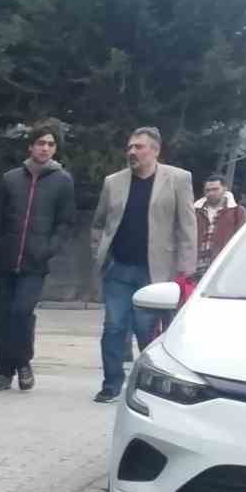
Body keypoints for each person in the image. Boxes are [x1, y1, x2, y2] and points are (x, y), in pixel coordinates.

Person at [88, 126, 197, 403]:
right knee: (113, 326)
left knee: (146, 329)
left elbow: (187, 226)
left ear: (155, 150)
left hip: (156, 273)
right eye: (130, 147)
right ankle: (112, 384)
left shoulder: (178, 179)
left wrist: (185, 270)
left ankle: (152, 385)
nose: (132, 152)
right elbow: (99, 224)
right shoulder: (113, 181)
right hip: (119, 269)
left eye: (139, 147)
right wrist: (99, 252)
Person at [0, 120, 76, 392]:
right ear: (31, 146)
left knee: (22, 312)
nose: (45, 148)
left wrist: (48, 249)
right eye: (41, 143)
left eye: (50, 144)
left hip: (35, 263)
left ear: (55, 149)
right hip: (5, 260)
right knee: (3, 316)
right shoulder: (10, 179)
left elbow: (65, 223)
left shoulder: (63, 181)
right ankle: (4, 372)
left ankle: (23, 363)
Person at [193, 175, 246, 281]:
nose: (211, 193)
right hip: (196, 266)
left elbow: (242, 240)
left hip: (222, 266)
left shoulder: (237, 211)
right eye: (208, 190)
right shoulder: (195, 210)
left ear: (225, 189)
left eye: (215, 189)